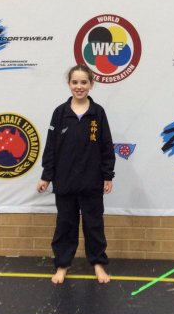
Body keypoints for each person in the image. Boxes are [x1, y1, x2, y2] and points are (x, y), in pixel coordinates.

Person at [36, 64, 115, 284]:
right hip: (65, 181)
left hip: (92, 181)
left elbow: (106, 146)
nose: (79, 86)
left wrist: (107, 175)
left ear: (91, 84)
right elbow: (51, 147)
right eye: (75, 82)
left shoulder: (98, 113)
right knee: (65, 225)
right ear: (69, 84)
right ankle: (62, 265)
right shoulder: (60, 113)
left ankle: (98, 264)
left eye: (83, 82)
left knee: (94, 225)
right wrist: (46, 176)